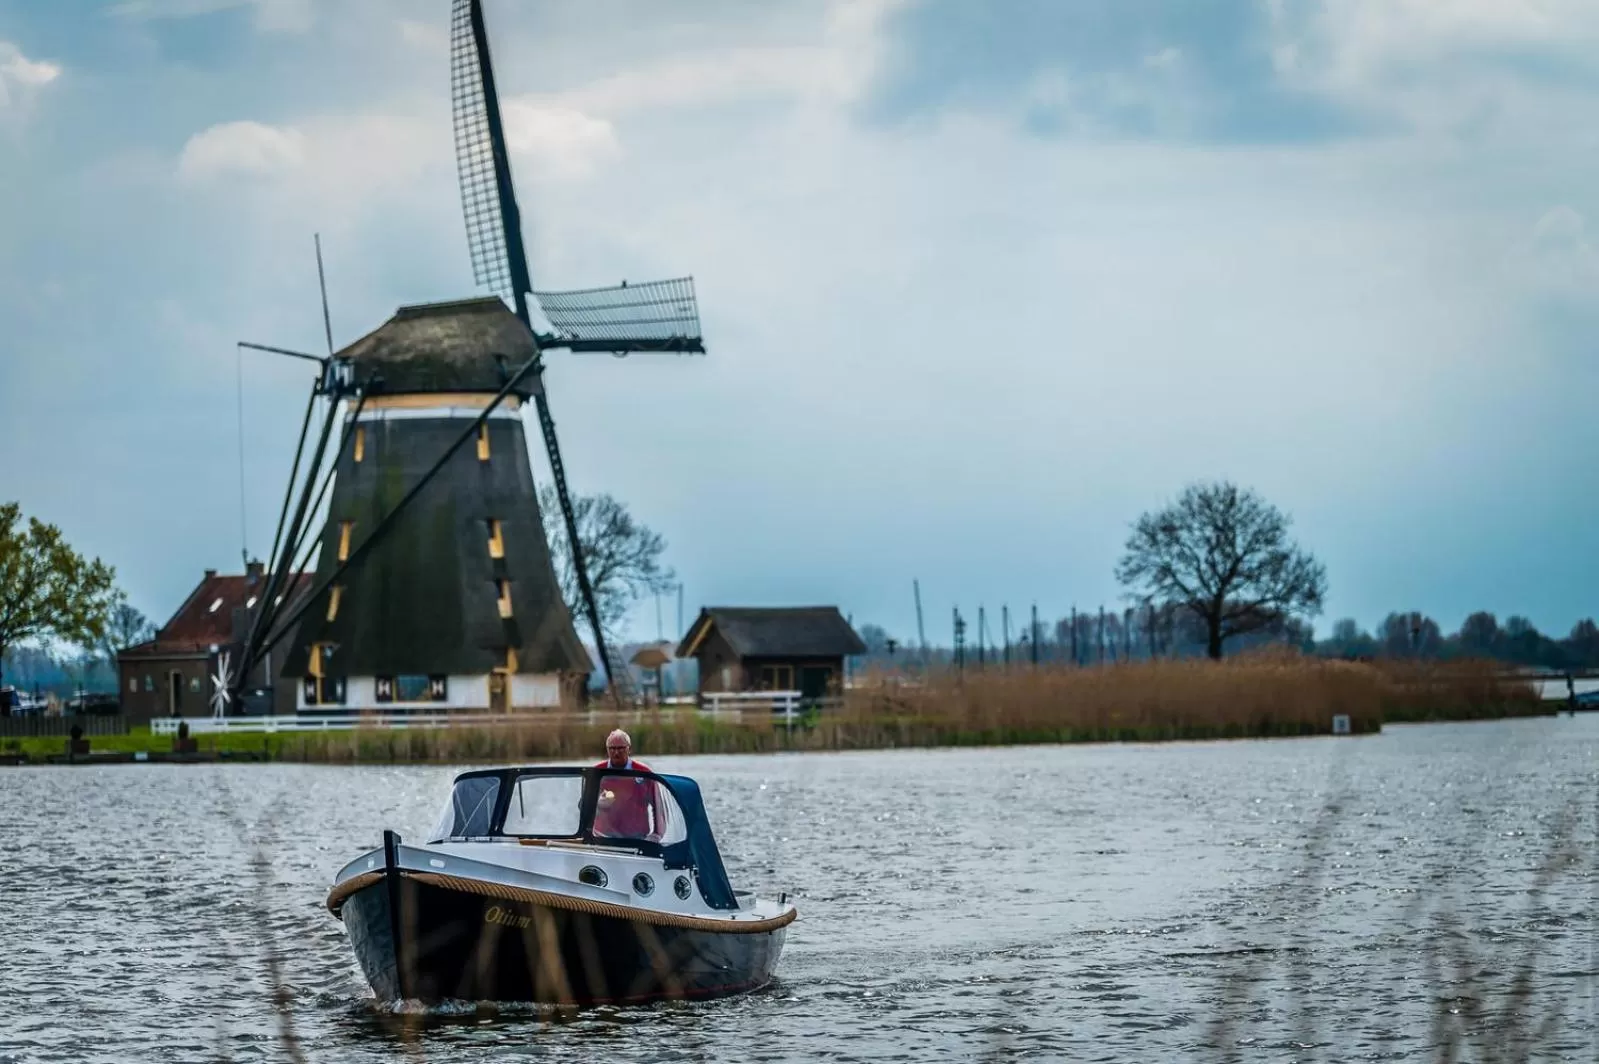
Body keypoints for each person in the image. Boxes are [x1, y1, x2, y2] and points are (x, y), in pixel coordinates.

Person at [592, 729, 667, 840]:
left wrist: (657, 834)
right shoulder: (596, 772)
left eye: (621, 748)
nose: (616, 752)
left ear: (629, 749)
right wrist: (597, 804)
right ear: (607, 750)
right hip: (603, 838)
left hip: (637, 837)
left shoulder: (644, 772)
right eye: (612, 748)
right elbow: (582, 806)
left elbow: (658, 807)